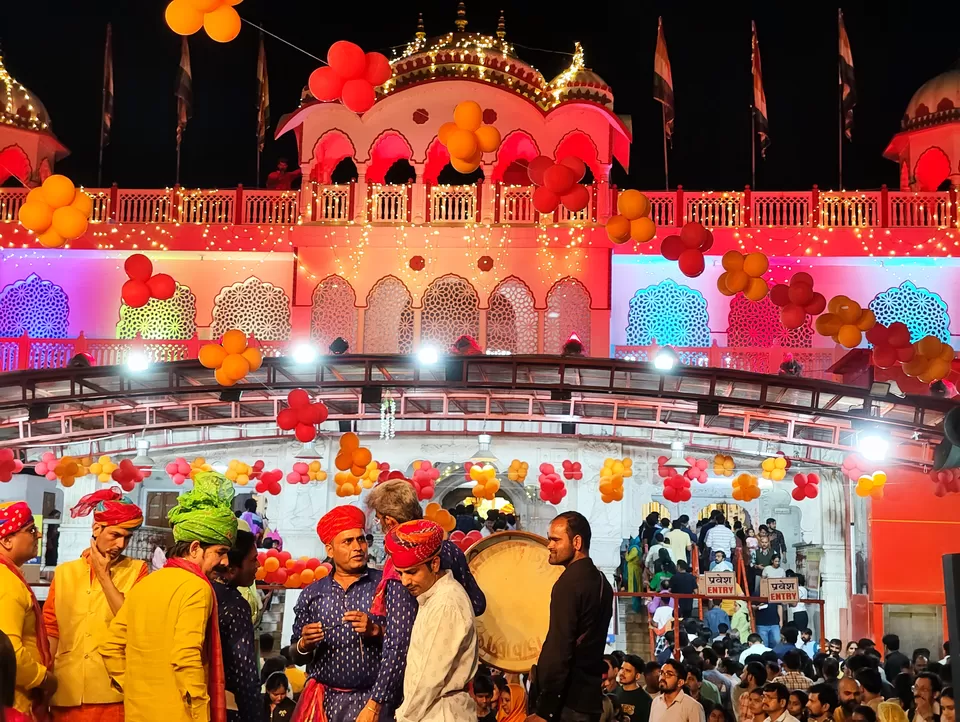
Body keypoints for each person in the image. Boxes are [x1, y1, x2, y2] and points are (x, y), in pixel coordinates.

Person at [100, 472, 237, 722]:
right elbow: (186, 655)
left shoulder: (147, 583)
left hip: (137, 711)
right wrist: (199, 712)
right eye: (220, 552)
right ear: (195, 548)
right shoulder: (197, 587)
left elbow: (110, 646)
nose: (225, 561)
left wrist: (132, 687)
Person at [289, 505, 417, 722]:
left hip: (378, 703)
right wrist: (304, 644)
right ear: (330, 550)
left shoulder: (387, 586)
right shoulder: (312, 594)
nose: (358, 547)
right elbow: (295, 655)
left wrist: (376, 630)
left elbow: (410, 640)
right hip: (326, 704)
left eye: (361, 539)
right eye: (347, 542)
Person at [44, 488, 148, 721]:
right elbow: (51, 630)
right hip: (65, 690)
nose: (121, 544)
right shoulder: (64, 573)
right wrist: (44, 679)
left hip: (112, 691)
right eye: (115, 535)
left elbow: (132, 622)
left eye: (127, 538)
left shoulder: (137, 570)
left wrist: (104, 577)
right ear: (96, 529)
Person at [383, 520, 478, 722]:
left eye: (412, 572)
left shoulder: (446, 603)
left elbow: (429, 679)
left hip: (441, 713)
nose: (405, 581)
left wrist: (404, 717)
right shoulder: (433, 597)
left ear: (434, 564)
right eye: (400, 573)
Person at [529, 512, 614, 722]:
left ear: (577, 542)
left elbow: (560, 648)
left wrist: (545, 710)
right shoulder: (602, 581)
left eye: (556, 539)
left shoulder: (568, 584)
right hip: (589, 700)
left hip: (566, 703)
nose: (549, 545)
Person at [365, 480, 486, 617]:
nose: (406, 580)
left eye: (378, 519)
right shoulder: (449, 547)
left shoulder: (401, 558)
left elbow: (400, 631)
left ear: (389, 521)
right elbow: (478, 604)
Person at [0, 501, 55, 719]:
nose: (39, 535)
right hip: (14, 702)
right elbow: (8, 652)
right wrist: (47, 680)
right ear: (6, 540)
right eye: (30, 530)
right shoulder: (6, 582)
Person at [212, 530, 261, 722]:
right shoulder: (235, 605)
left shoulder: (199, 590)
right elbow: (245, 673)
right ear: (232, 568)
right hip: (226, 706)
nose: (258, 566)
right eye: (253, 560)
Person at [617, 654, 652, 722]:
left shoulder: (646, 700)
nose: (622, 673)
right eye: (621, 669)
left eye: (627, 670)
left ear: (637, 676)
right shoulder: (614, 693)